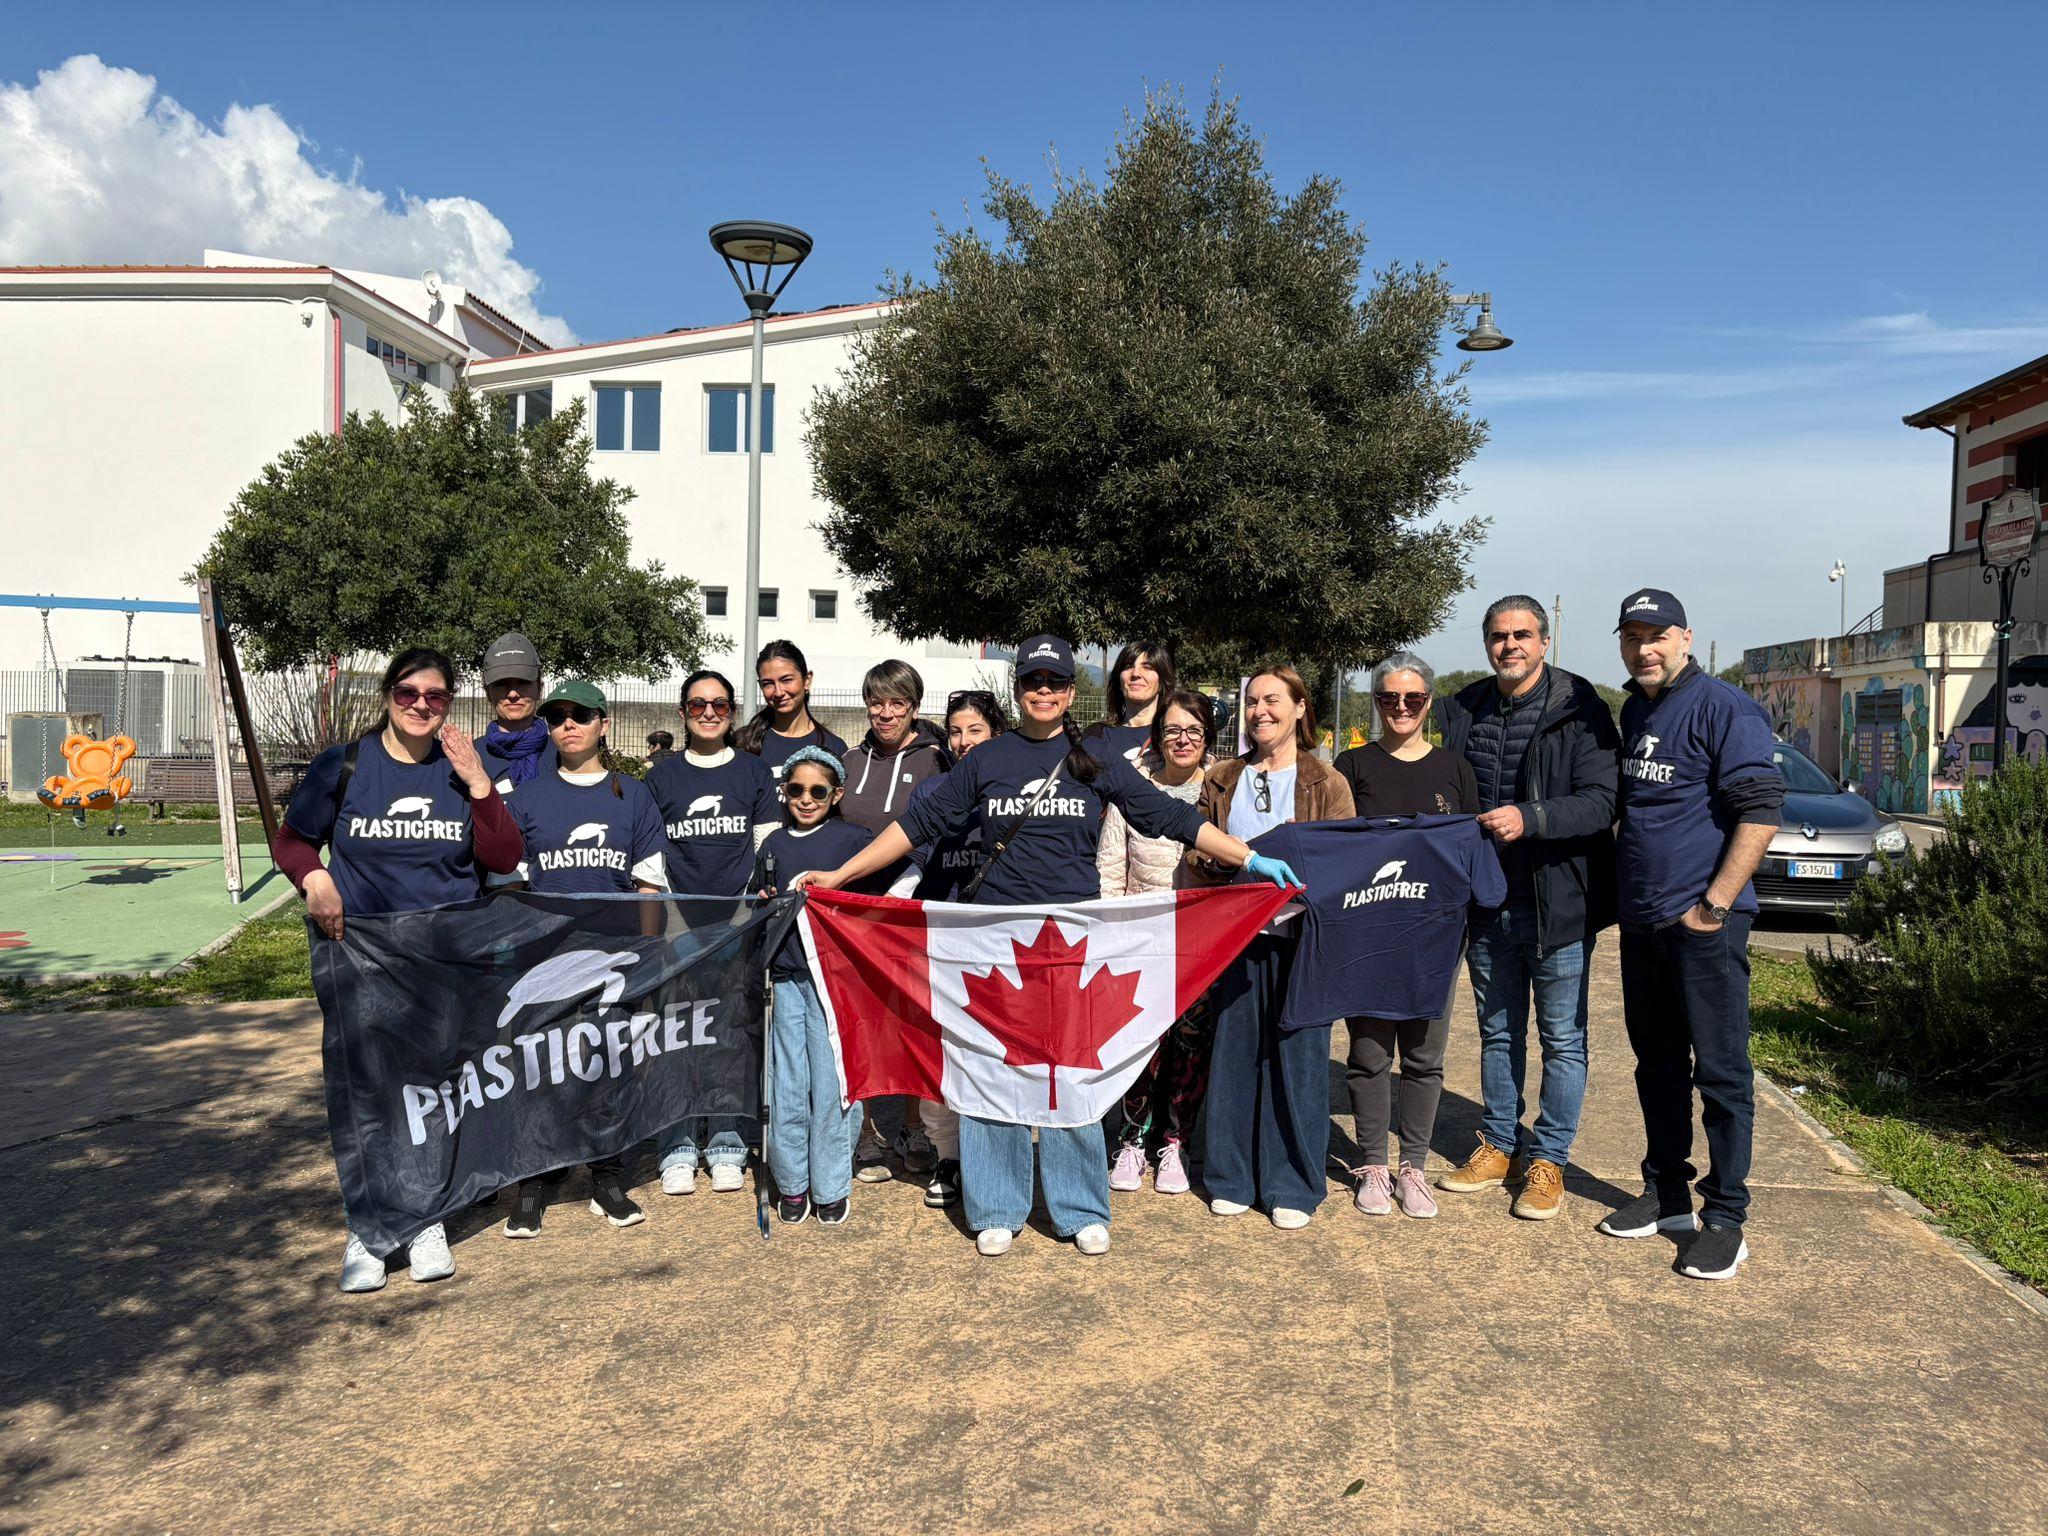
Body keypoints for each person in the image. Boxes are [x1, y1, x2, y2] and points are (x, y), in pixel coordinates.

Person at [794, 635, 1297, 1259]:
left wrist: (1248, 858)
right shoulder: (987, 759)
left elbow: (1169, 817)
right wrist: (840, 879)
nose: (1044, 691)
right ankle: (996, 1204)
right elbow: (918, 824)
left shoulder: (1092, 760)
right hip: (994, 942)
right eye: (1032, 679)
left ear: (1069, 691)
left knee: (1070, 1076)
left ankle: (1079, 1206)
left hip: (1070, 944)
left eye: (1055, 681)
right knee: (992, 1073)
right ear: (1019, 686)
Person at [270, 647, 525, 1293]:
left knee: (433, 1088)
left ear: (449, 703)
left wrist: (476, 780)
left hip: (442, 955)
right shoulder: (346, 763)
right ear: (389, 695)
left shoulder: (461, 768)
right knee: (369, 1092)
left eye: (435, 696)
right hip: (360, 951)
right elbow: (292, 839)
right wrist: (315, 879)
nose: (420, 705)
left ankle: (427, 1216)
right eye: (408, 692)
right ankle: (372, 1225)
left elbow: (503, 852)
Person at [1602, 588, 1784, 1282]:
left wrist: (1713, 905)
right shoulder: (1637, 708)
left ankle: (1726, 1219)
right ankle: (1667, 1194)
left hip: (1703, 924)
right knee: (1657, 1066)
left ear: (1686, 638)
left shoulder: (1725, 707)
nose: (1644, 648)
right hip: (1645, 922)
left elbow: (1760, 811)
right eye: (1632, 635)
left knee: (1721, 1071)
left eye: (1657, 635)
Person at [1430, 595, 1619, 1221]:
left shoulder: (1579, 709)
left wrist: (1530, 818)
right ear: (1487, 643)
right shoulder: (1467, 708)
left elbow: (1601, 803)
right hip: (1487, 901)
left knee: (1562, 1038)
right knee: (1497, 1032)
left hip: (1557, 901)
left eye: (1523, 635)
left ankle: (1549, 1160)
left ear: (1544, 642)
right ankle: (1499, 1144)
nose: (1510, 646)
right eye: (1499, 636)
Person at [499, 681, 671, 1238]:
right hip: (547, 958)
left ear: (603, 722)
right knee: (540, 1067)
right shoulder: (526, 798)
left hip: (615, 958)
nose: (567, 725)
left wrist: (645, 960)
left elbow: (650, 886)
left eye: (579, 715)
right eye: (557, 718)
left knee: (606, 1064)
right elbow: (510, 888)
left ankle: (606, 1175)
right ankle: (535, 1180)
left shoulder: (633, 794)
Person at [1190, 665, 1355, 1229]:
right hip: (1238, 939)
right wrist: (1223, 855)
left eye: (1273, 700)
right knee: (1233, 1055)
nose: (1261, 711)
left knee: (1299, 1060)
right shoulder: (1221, 777)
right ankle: (1231, 1176)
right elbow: (1195, 853)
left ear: (1301, 708)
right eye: (1252, 701)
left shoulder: (1326, 781)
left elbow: (1346, 863)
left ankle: (1292, 1182)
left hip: (1303, 941)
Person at [1329, 654, 1476, 1221]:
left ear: (1428, 703)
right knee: (1367, 1055)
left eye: (1412, 698)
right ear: (1376, 701)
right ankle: (1372, 1163)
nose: (1400, 707)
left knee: (1423, 1055)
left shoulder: (1454, 770)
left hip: (1435, 937)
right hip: (1368, 933)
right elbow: (1339, 848)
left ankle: (1412, 1165)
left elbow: (1468, 850)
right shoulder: (1353, 764)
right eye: (1389, 698)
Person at [644, 669, 779, 1197]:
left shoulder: (752, 773)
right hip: (679, 922)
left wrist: (750, 911)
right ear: (682, 713)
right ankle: (676, 1145)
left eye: (719, 705)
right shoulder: (662, 776)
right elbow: (651, 857)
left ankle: (726, 1142)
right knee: (676, 1034)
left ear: (732, 712)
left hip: (737, 922)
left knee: (728, 1034)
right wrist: (664, 923)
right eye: (697, 704)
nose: (708, 713)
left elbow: (768, 848)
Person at [838, 659, 953, 1183]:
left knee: (908, 1020)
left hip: (907, 910)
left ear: (914, 707)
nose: (885, 713)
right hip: (850, 915)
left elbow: (937, 835)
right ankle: (862, 1130)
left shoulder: (937, 761)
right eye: (877, 702)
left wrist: (901, 888)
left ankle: (912, 1126)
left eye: (897, 703)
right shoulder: (847, 759)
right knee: (859, 1017)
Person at [896, 688, 1011, 1208]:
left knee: (992, 1053)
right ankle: (948, 1155)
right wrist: (896, 895)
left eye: (976, 731)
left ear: (997, 735)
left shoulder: (1012, 786)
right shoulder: (934, 790)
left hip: (996, 936)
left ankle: (994, 1154)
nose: (964, 742)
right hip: (940, 937)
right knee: (937, 1050)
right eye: (956, 731)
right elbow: (917, 853)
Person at [1101, 688, 1216, 1197]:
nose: (1183, 740)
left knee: (1189, 1047)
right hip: (1138, 941)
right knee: (1139, 1047)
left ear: (1208, 737)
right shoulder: (1131, 791)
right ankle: (1131, 1141)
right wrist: (1113, 934)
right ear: (1157, 737)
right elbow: (1110, 870)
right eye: (1172, 730)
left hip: (1199, 945)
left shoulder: (1221, 790)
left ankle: (1176, 1141)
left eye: (1194, 730)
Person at [755, 747, 875, 1226]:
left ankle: (830, 1183)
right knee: (787, 1082)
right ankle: (791, 1183)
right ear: (784, 792)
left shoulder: (853, 839)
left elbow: (883, 894)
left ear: (837, 794)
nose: (806, 800)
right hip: (783, 976)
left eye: (818, 791)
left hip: (835, 982)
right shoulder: (773, 845)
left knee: (834, 1082)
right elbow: (756, 900)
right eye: (796, 789)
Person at [733, 641, 849, 779]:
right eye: (768, 684)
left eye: (786, 680)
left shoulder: (833, 747)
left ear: (807, 680)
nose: (778, 692)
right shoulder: (742, 743)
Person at [478, 632, 554, 792]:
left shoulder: (563, 755)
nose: (513, 694)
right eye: (501, 684)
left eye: (523, 682)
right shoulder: (471, 758)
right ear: (487, 693)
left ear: (540, 689)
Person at [1084, 640, 1176, 766]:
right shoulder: (1095, 736)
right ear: (1119, 680)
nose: (1136, 674)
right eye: (1128, 666)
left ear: (1162, 681)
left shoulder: (1176, 735)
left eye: (1147, 667)